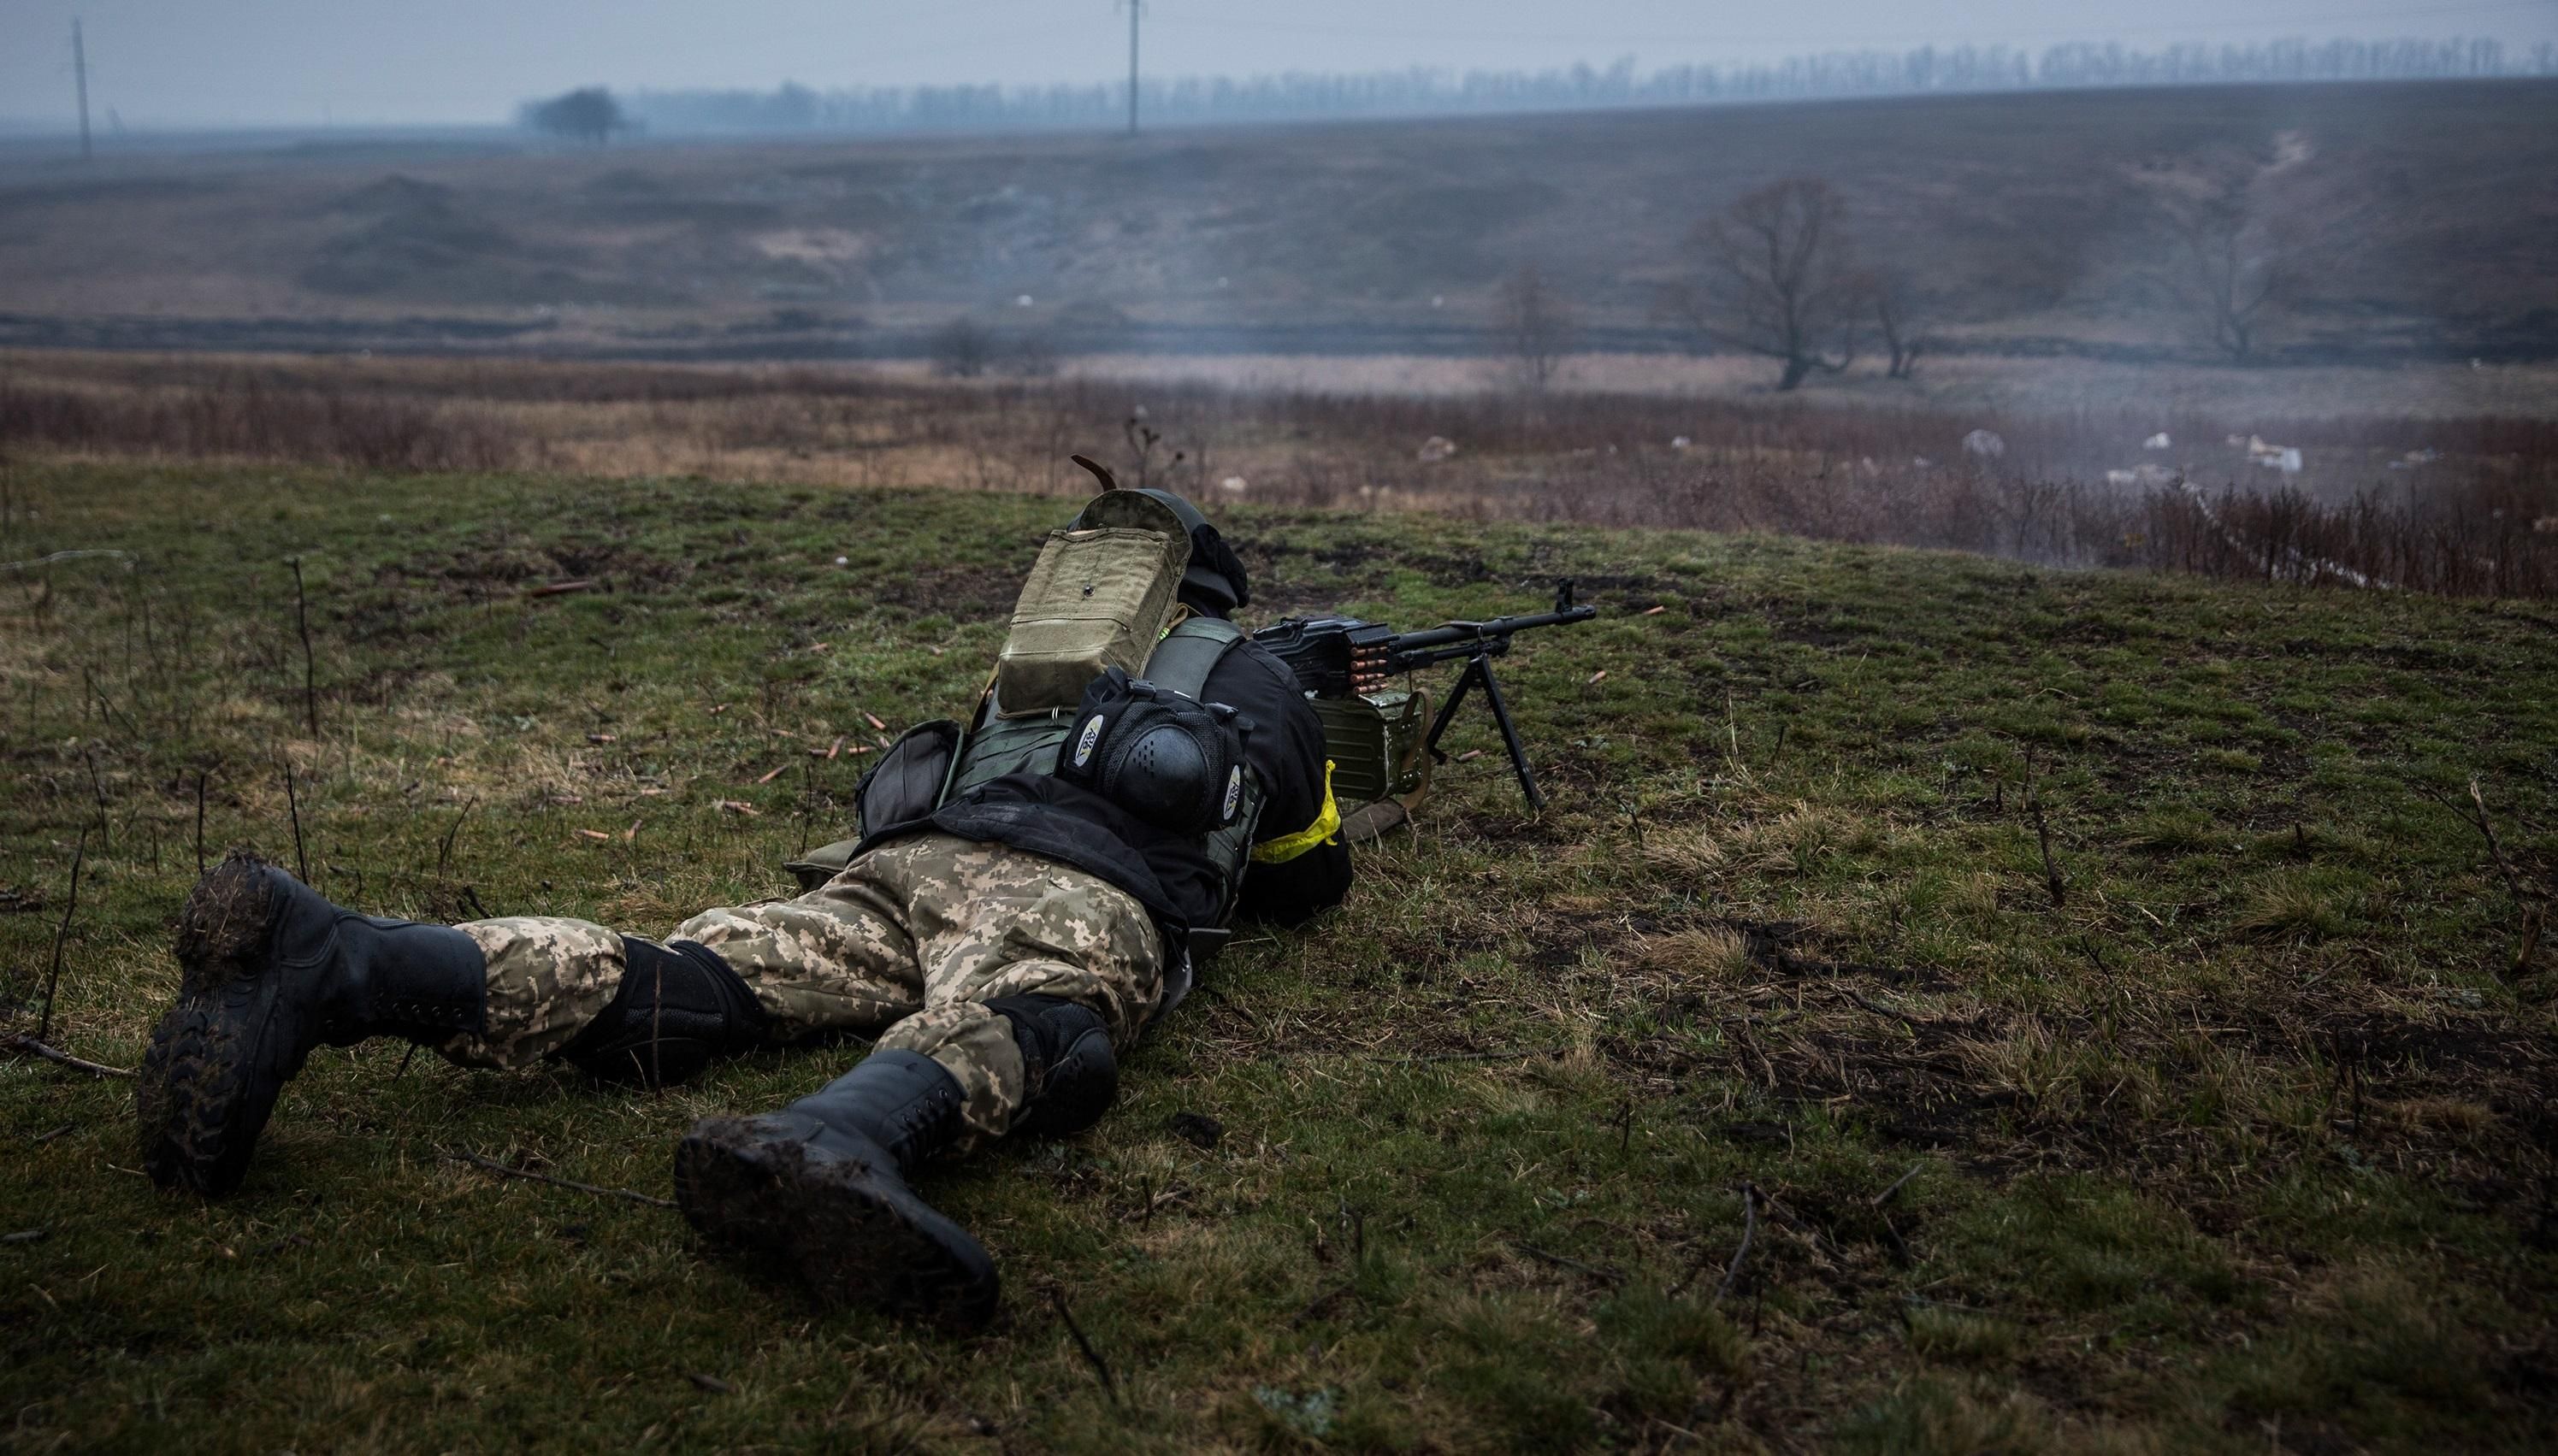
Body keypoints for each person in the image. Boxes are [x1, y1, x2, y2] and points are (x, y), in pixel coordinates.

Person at [134, 486, 1350, 1331]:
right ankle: (843, 1138)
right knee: (1036, 1021)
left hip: (904, 868)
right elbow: (1304, 881)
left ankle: (334, 957)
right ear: (1220, 595)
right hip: (1079, 897)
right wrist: (1306, 719)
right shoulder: (1252, 676)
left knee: (703, 983)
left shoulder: (1036, 669)